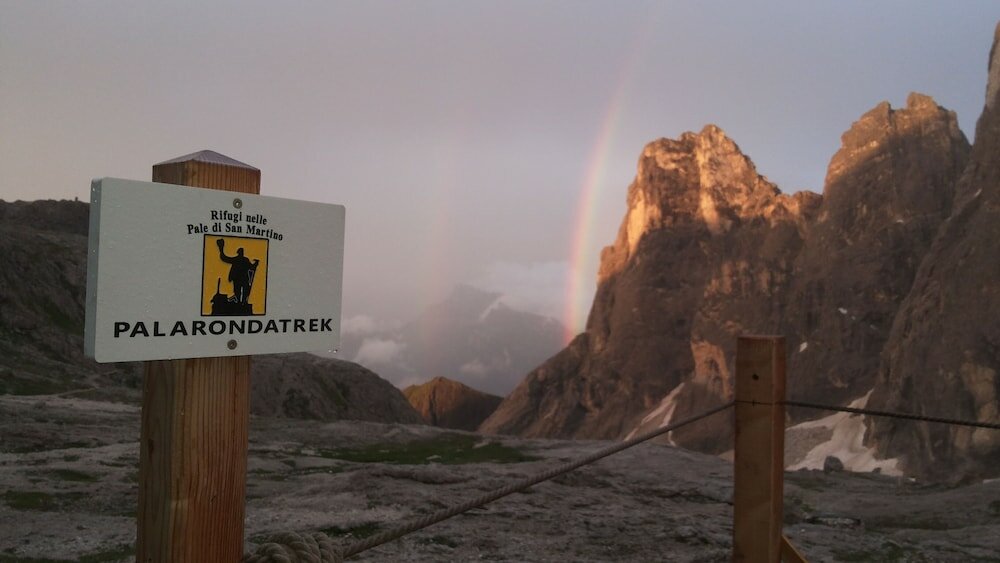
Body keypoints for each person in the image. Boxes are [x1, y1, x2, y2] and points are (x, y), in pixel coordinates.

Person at [217, 238, 258, 306]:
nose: (241, 253)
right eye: (240, 252)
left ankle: (243, 302)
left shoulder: (245, 260)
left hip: (244, 279)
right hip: (237, 279)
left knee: (245, 290)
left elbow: (251, 267)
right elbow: (224, 258)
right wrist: (221, 249)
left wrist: (256, 264)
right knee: (237, 291)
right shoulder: (238, 259)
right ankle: (239, 302)